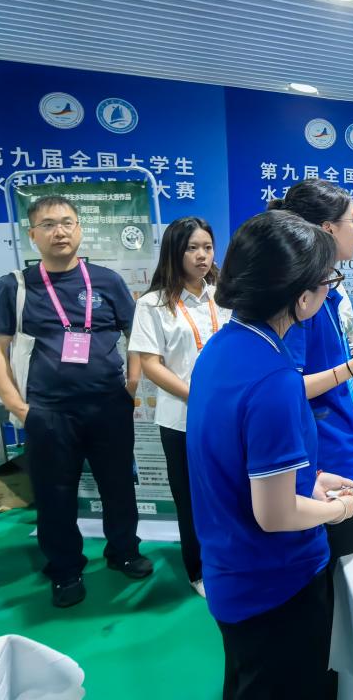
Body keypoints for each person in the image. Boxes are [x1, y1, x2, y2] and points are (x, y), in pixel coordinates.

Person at [187, 211, 353, 700]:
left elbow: (239, 462)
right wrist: (337, 510)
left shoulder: (223, 347)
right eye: (327, 280)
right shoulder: (275, 379)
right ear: (302, 298)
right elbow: (276, 514)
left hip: (231, 570)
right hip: (276, 582)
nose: (329, 289)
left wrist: (313, 481)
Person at [0, 195, 150, 608]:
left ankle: (124, 551)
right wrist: (17, 407)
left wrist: (131, 385)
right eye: (48, 225)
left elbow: (136, 335)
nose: (59, 232)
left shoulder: (107, 281)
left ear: (80, 229)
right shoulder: (14, 286)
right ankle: (65, 570)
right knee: (54, 495)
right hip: (48, 412)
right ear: (32, 235)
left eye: (67, 222)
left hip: (108, 406)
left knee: (119, 486)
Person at [268, 179, 353, 563]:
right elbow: (287, 387)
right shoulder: (302, 300)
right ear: (328, 229)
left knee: (350, 557)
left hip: (344, 439)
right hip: (323, 450)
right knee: (337, 564)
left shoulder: (329, 292)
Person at [129, 217, 230, 598]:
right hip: (182, 419)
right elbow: (151, 364)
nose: (202, 255)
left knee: (229, 491)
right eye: (192, 248)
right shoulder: (153, 304)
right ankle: (199, 570)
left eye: (208, 247)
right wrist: (196, 395)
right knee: (190, 499)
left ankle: (231, 559)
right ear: (175, 252)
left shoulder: (224, 296)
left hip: (228, 416)